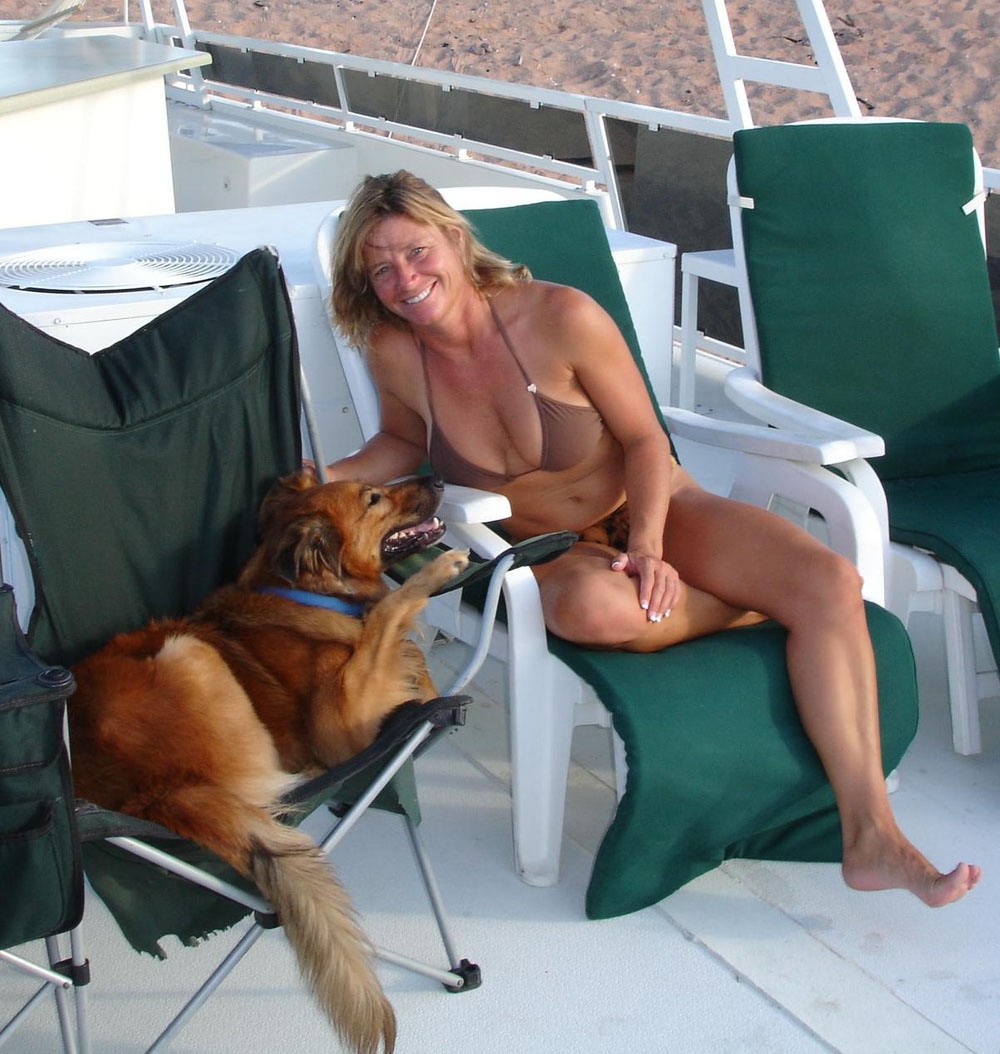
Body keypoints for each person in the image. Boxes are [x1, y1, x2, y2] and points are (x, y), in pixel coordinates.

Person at [325, 169, 980, 907]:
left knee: (829, 581)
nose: (405, 279)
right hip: (548, 552)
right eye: (380, 269)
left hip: (650, 505)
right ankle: (759, 603)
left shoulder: (561, 316)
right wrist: (326, 475)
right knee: (595, 612)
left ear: (452, 238)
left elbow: (643, 439)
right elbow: (401, 439)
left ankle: (871, 834)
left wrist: (648, 547)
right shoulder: (394, 350)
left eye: (415, 252)